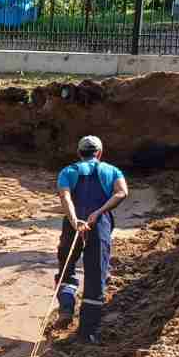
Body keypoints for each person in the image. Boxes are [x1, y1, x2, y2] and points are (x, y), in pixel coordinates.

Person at [55, 135, 129, 345]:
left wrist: (74, 220)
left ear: (79, 152)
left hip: (73, 226)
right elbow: (122, 192)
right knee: (96, 274)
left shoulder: (68, 171)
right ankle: (87, 332)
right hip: (100, 224)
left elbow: (65, 197)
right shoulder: (112, 171)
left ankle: (66, 307)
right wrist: (98, 212)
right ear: (99, 153)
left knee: (67, 267)